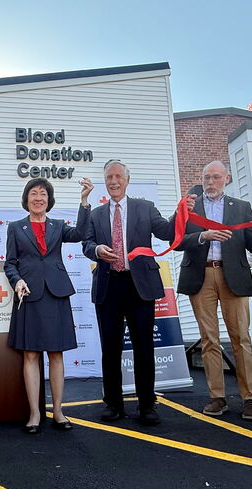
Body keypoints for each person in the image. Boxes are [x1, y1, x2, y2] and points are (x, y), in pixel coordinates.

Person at [83, 160, 193, 425]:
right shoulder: (96, 214)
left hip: (139, 286)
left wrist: (182, 212)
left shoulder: (145, 208)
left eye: (118, 176)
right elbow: (87, 244)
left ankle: (146, 405)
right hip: (109, 286)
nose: (113, 181)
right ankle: (113, 404)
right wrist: (97, 250)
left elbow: (167, 231)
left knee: (144, 348)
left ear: (127, 180)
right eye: (109, 177)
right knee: (110, 349)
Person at [176, 160, 252, 420]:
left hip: (233, 276)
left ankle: (250, 398)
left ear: (226, 179)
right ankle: (217, 397)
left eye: (216, 177)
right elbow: (177, 241)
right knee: (209, 339)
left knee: (241, 338)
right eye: (207, 177)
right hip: (201, 275)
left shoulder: (241, 207)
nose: (210, 182)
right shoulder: (190, 206)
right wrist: (202, 236)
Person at [4, 177, 93, 433]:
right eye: (34, 193)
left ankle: (59, 411)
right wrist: (17, 280)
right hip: (29, 294)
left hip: (56, 293)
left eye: (43, 194)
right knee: (31, 354)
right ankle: (34, 413)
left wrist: (84, 201)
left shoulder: (58, 226)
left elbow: (80, 234)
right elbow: (10, 263)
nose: (38, 198)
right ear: (26, 199)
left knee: (56, 354)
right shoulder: (16, 227)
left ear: (49, 200)